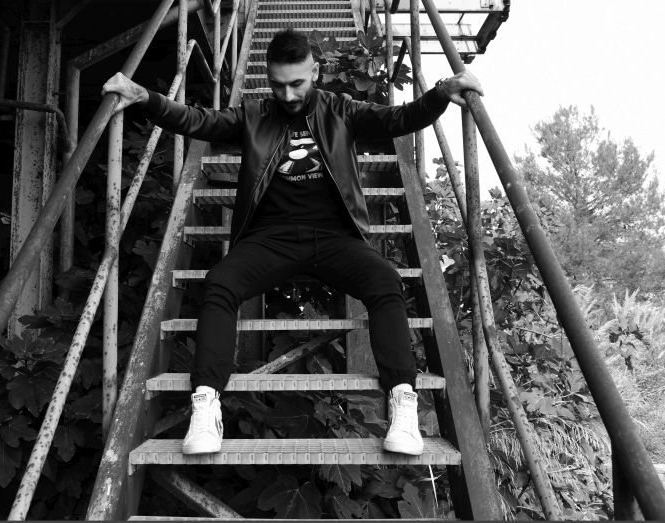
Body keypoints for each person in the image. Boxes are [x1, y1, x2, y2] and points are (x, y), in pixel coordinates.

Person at [102, 28, 483, 455]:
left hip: (335, 237)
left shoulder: (341, 110)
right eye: (278, 84)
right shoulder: (254, 114)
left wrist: (440, 93)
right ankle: (206, 405)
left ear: (315, 72)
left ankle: (402, 402)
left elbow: (399, 119)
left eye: (297, 83)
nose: (287, 94)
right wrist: (145, 97)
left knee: (385, 280)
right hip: (270, 239)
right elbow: (198, 120)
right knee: (220, 283)